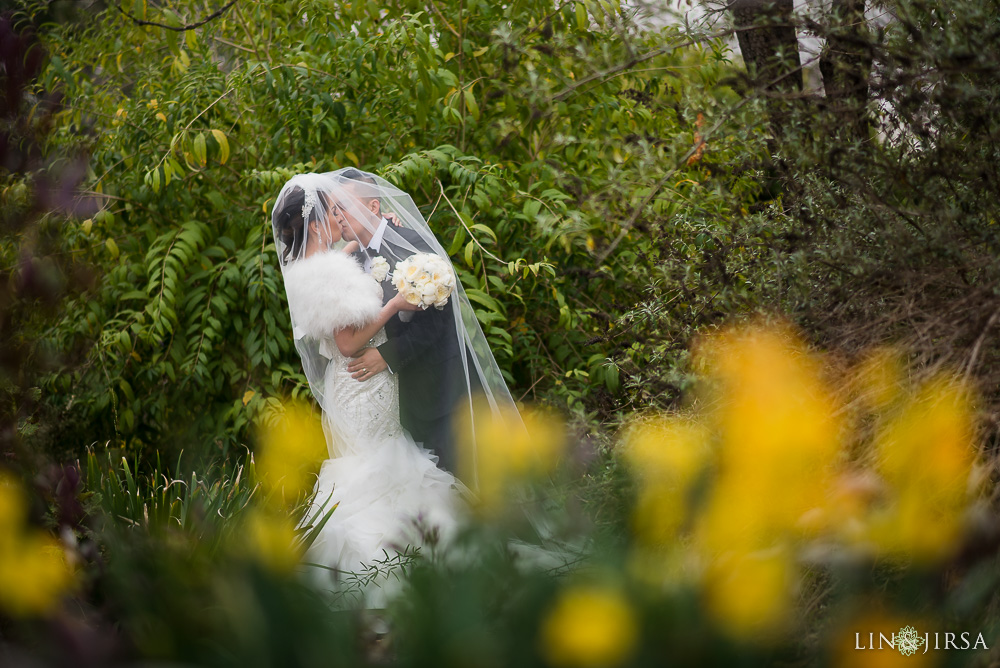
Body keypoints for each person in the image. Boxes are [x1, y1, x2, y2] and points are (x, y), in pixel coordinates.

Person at [270, 170, 523, 605]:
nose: (337, 216)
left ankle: (419, 568)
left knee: (383, 465)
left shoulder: (325, 262)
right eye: (330, 210)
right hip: (361, 381)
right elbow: (348, 342)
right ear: (314, 221)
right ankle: (409, 577)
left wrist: (361, 248)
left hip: (368, 383)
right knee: (376, 469)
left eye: (341, 207)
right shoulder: (328, 268)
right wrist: (391, 305)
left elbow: (360, 270)